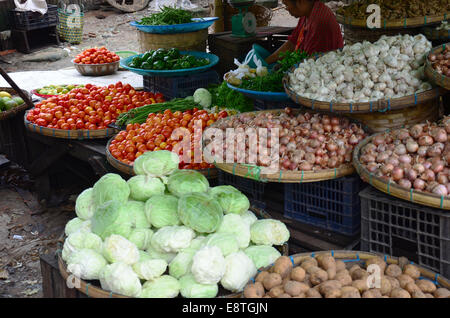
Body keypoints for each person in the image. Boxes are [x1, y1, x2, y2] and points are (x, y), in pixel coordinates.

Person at [265, 0, 344, 64]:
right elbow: (292, 43)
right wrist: (266, 61)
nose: (287, 9)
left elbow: (311, 62)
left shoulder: (320, 22)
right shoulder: (307, 13)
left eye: (287, 5)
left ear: (300, 2)